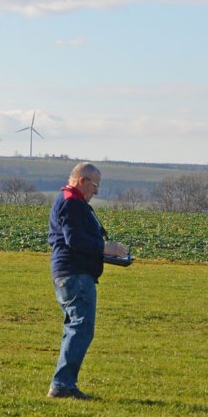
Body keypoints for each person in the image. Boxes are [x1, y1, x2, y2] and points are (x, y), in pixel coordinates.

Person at [47, 162, 128, 399]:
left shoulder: (69, 200)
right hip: (75, 276)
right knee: (81, 328)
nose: (97, 191)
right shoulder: (71, 203)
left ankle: (64, 383)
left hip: (69, 274)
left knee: (75, 328)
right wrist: (106, 248)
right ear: (82, 181)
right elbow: (74, 240)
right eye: (95, 185)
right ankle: (62, 384)